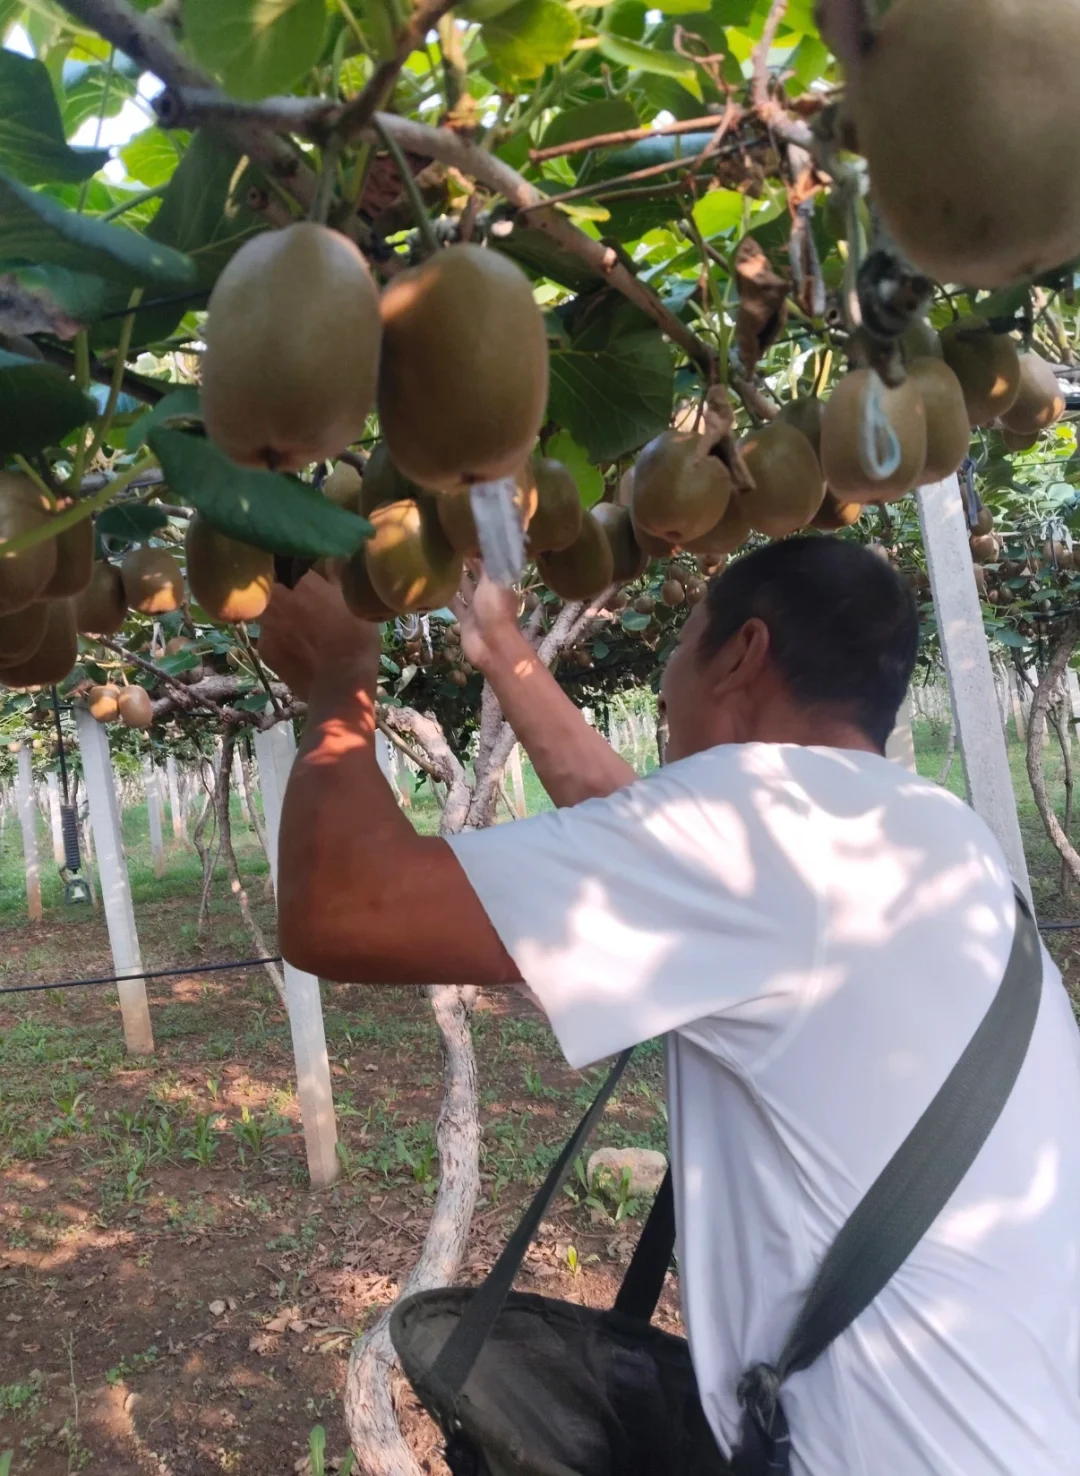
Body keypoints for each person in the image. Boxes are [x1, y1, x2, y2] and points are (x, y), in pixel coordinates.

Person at [260, 536, 1080, 1475]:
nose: (662, 689)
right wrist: (498, 646)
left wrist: (340, 682)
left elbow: (342, 913)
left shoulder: (748, 826)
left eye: (679, 650)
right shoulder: (931, 834)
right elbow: (636, 824)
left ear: (743, 654)